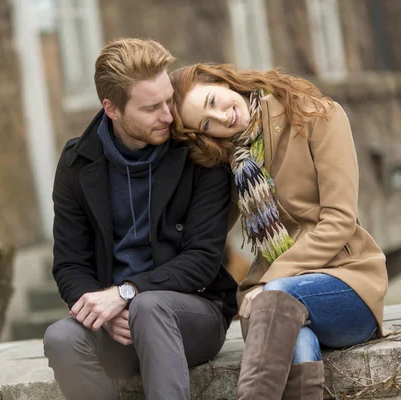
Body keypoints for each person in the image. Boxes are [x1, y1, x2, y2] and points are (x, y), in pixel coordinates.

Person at [169, 63, 389, 399]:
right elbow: (204, 236)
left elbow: (340, 220)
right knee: (298, 344)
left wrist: (275, 280)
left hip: (347, 283)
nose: (221, 118)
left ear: (225, 82)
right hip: (270, 301)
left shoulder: (316, 115)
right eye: (206, 124)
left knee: (276, 299)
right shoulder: (232, 163)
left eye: (213, 101)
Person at [43, 39, 238, 400]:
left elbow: (202, 260)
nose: (168, 115)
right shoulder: (77, 163)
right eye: (151, 108)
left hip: (192, 311)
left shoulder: (199, 152)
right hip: (117, 325)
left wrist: (126, 294)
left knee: (149, 307)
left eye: (168, 100)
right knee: (60, 337)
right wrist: (103, 308)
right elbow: (70, 264)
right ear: (112, 108)